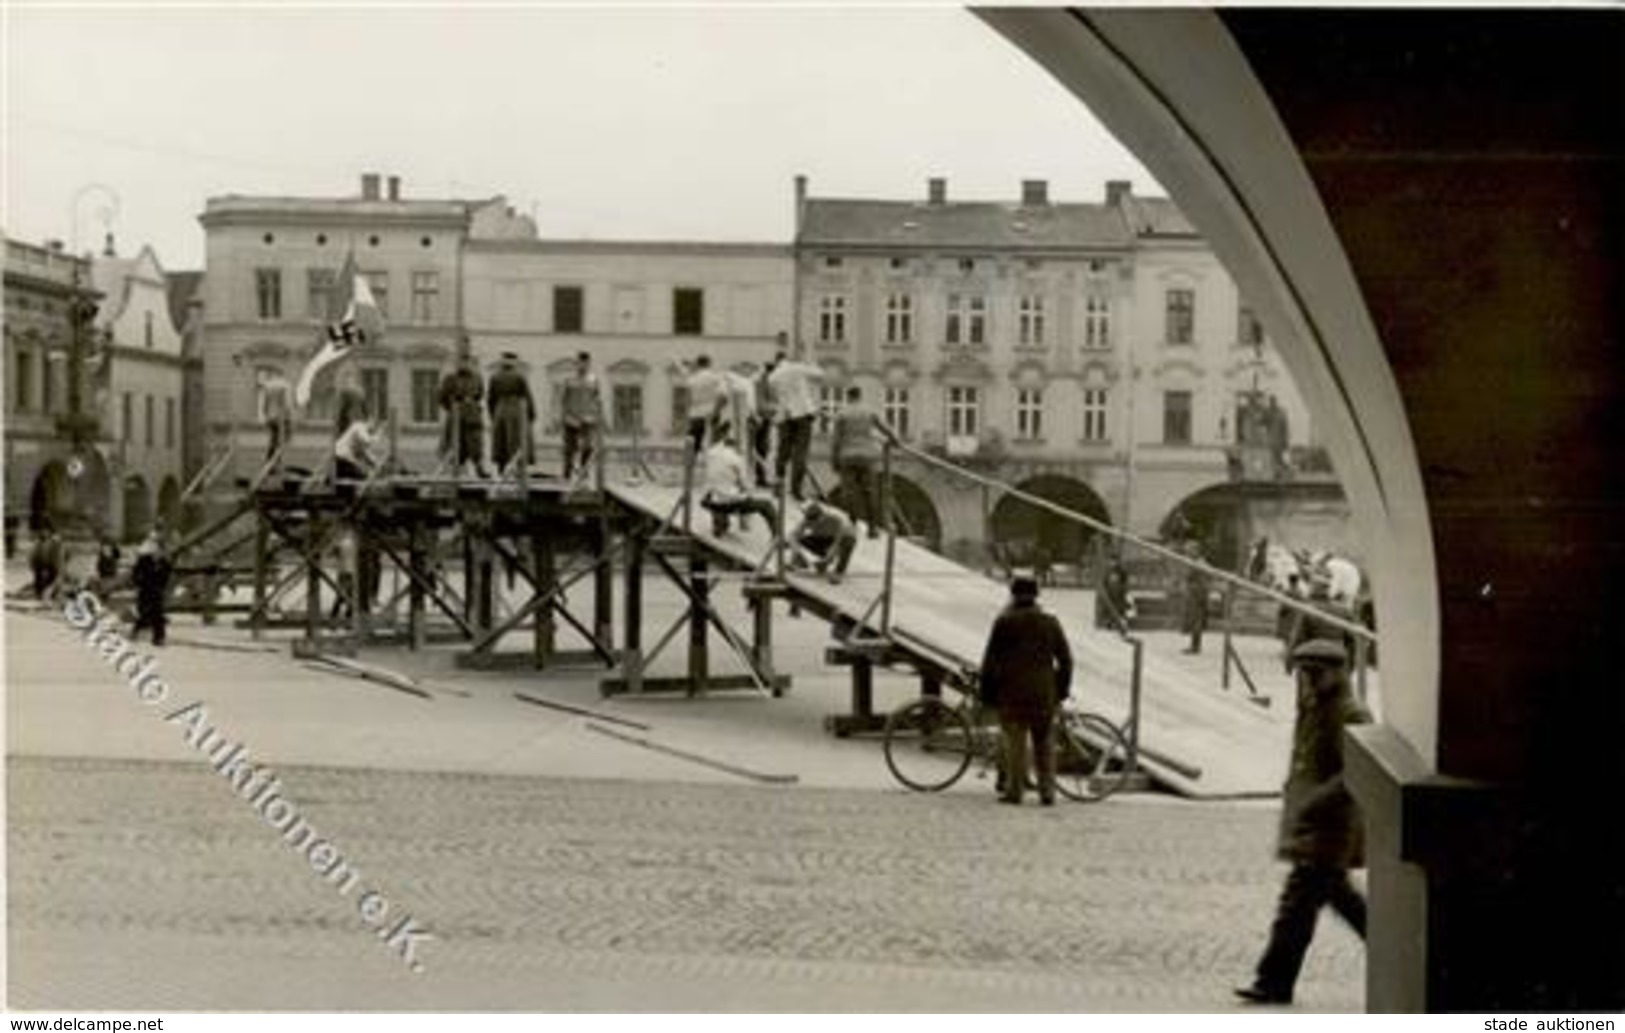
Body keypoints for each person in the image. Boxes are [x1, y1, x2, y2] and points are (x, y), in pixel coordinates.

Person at [1235, 638, 1370, 1005]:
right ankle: (1399, 949)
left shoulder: (1349, 713)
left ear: (1336, 673)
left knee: (1296, 907)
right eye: (1304, 673)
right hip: (1315, 826)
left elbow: (1353, 774)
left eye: (1314, 673)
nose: (1307, 680)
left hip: (1330, 827)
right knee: (1337, 902)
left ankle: (1273, 981)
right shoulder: (1317, 707)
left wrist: (1314, 802)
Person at [977, 575, 1074, 807]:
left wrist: (987, 694)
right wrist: (1060, 690)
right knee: (1044, 743)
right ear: (1037, 595)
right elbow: (1067, 660)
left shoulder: (1004, 622)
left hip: (1012, 693)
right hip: (1043, 693)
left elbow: (990, 662)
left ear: (1013, 595)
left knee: (1016, 744)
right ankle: (1047, 793)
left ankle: (1015, 792)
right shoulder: (1050, 622)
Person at [830, 384, 896, 538]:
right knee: (870, 492)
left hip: (847, 457)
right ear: (860, 396)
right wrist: (894, 440)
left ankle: (852, 525)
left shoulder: (842, 413)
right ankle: (872, 529)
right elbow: (886, 428)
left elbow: (835, 441)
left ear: (848, 396)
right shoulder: (869, 411)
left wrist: (834, 460)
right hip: (867, 456)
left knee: (849, 492)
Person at [766, 351, 825, 501]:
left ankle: (778, 485)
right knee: (800, 452)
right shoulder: (798, 368)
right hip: (803, 414)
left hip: (785, 416)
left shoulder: (773, 376)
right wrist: (809, 362)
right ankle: (796, 490)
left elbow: (774, 397)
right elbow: (820, 375)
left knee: (783, 451)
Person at [698, 428, 778, 538]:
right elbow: (745, 485)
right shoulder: (736, 459)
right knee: (766, 505)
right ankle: (778, 536)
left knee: (720, 489)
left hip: (709, 499)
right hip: (727, 500)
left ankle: (719, 522)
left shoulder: (711, 452)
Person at [487, 352, 536, 476]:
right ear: (514, 362)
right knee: (516, 440)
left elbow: (490, 399)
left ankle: (501, 469)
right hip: (516, 410)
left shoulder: (495, 377)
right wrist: (531, 414)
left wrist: (493, 415)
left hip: (500, 409)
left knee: (501, 441)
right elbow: (527, 396)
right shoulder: (519, 376)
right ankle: (517, 469)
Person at [438, 354, 486, 477]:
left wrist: (471, 404)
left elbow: (480, 394)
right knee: (454, 444)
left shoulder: (477, 378)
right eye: (461, 362)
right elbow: (442, 398)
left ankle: (479, 468)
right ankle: (455, 471)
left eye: (467, 362)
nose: (464, 365)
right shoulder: (450, 378)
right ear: (456, 364)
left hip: (472, 416)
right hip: (456, 415)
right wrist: (453, 407)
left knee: (475, 443)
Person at [788, 500, 857, 584]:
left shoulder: (836, 518)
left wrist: (830, 554)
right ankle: (820, 563)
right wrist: (797, 553)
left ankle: (839, 572)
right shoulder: (808, 518)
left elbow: (838, 541)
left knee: (849, 541)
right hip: (826, 535)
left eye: (815, 522)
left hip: (845, 534)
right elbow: (793, 535)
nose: (811, 524)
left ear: (821, 517)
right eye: (810, 522)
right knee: (802, 540)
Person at [559, 351, 603, 480]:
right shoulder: (569, 380)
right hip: (571, 419)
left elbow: (596, 399)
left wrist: (596, 416)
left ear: (589, 364)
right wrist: (563, 416)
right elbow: (563, 400)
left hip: (588, 419)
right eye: (580, 363)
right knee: (569, 449)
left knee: (588, 448)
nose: (582, 366)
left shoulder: (593, 380)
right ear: (576, 364)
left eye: (585, 363)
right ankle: (566, 475)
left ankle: (584, 474)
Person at [129, 531, 173, 647]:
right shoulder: (144, 561)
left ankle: (159, 638)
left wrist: (162, 588)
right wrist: (139, 583)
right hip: (145, 590)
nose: (158, 552)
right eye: (156, 549)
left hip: (157, 591)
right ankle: (136, 630)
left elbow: (166, 577)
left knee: (158, 614)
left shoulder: (165, 563)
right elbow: (136, 573)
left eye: (160, 550)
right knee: (144, 613)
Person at [678, 355, 725, 456]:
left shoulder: (692, 380)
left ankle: (690, 470)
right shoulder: (716, 378)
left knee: (692, 447)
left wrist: (686, 419)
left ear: (698, 365)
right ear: (709, 364)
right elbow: (723, 397)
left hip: (695, 416)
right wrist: (716, 412)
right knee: (713, 447)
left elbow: (687, 401)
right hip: (711, 414)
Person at [751, 356, 780, 488]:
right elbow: (760, 404)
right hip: (758, 419)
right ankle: (759, 478)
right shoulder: (760, 381)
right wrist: (777, 408)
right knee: (759, 449)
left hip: (764, 419)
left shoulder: (765, 380)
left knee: (763, 449)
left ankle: (760, 477)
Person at [256, 367, 294, 464]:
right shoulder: (285, 385)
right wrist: (290, 415)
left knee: (274, 437)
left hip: (271, 417)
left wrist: (263, 416)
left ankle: (273, 460)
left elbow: (263, 403)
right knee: (284, 438)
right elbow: (288, 403)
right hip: (282, 417)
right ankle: (273, 460)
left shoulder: (267, 386)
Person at [333, 416, 387, 483]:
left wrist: (376, 464)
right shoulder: (359, 426)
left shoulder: (362, 434)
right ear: (370, 421)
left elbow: (364, 453)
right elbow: (367, 441)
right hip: (342, 458)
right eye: (375, 426)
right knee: (361, 477)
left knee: (359, 475)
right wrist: (378, 436)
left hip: (340, 458)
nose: (374, 430)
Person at [1181, 540, 1211, 655]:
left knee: (1196, 621)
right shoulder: (1193, 562)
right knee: (1193, 620)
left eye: (1189, 551)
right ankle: (1193, 645)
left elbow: (1191, 575)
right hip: (1193, 593)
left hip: (1198, 594)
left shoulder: (1200, 562)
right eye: (1187, 551)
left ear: (1196, 551)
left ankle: (1196, 647)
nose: (1187, 553)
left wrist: (1202, 595)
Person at [29, 526, 63, 602]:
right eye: (44, 531)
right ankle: (40, 594)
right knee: (40, 579)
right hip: (41, 565)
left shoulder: (54, 543)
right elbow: (34, 556)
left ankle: (48, 594)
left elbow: (57, 557)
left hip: (51, 565)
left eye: (47, 532)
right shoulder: (39, 543)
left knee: (49, 579)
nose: (45, 533)